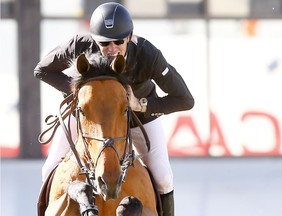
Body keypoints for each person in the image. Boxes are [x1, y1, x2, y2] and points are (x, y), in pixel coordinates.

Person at [34, 2, 194, 216]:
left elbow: (185, 99)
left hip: (137, 115)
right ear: (94, 40)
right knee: (49, 168)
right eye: (104, 43)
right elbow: (42, 70)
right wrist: (80, 92)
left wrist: (140, 104)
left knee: (164, 177)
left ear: (129, 37)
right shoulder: (79, 45)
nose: (112, 49)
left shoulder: (148, 55)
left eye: (118, 41)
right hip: (90, 113)